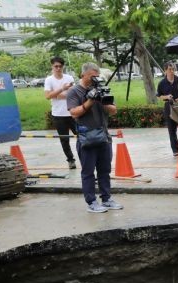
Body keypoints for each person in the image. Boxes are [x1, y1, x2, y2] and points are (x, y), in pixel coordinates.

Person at [67, 62, 122, 213]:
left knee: (104, 170)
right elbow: (74, 113)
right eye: (92, 76)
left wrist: (100, 98)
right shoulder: (74, 92)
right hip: (87, 138)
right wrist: (90, 101)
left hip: (104, 137)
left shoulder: (100, 89)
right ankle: (91, 202)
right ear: (83, 75)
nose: (95, 79)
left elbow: (113, 110)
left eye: (97, 76)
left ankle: (106, 199)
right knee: (88, 172)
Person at [44, 56, 77, 169]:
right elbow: (48, 96)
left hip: (72, 112)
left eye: (60, 66)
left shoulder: (69, 78)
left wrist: (57, 95)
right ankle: (70, 160)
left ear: (63, 67)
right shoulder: (49, 80)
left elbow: (74, 94)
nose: (58, 68)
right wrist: (62, 89)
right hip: (58, 115)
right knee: (64, 139)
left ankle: (85, 156)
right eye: (55, 66)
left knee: (82, 136)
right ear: (52, 67)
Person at [156, 61, 178, 156]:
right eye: (169, 69)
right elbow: (159, 96)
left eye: (173, 69)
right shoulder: (162, 83)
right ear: (165, 70)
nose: (172, 71)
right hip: (168, 106)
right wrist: (166, 97)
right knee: (171, 129)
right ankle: (176, 150)